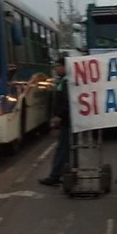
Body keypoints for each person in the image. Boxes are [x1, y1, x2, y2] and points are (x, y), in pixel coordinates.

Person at [39, 56, 70, 186]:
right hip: (65, 120)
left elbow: (65, 102)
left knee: (62, 148)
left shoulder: (67, 82)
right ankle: (64, 174)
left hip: (66, 120)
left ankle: (55, 175)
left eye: (58, 66)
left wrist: (59, 116)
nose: (56, 69)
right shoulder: (63, 81)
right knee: (64, 148)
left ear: (65, 67)